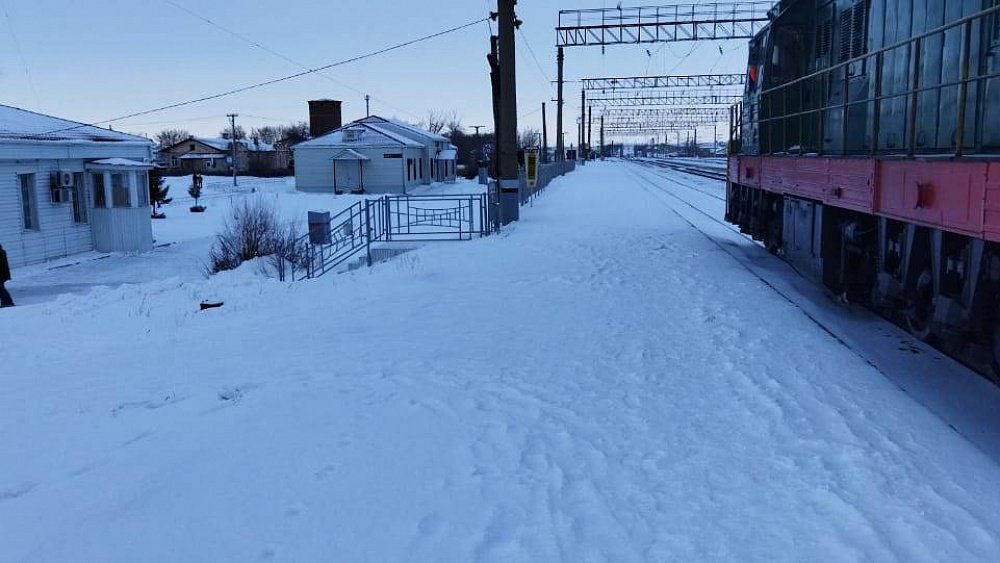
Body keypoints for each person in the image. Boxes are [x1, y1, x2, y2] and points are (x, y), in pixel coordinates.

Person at [0, 243, 13, 307]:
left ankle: (8, 303)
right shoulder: (2, 252)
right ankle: (5, 302)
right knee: (1, 289)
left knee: (1, 289)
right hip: (3, 274)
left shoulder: (1, 252)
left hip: (1, 274)